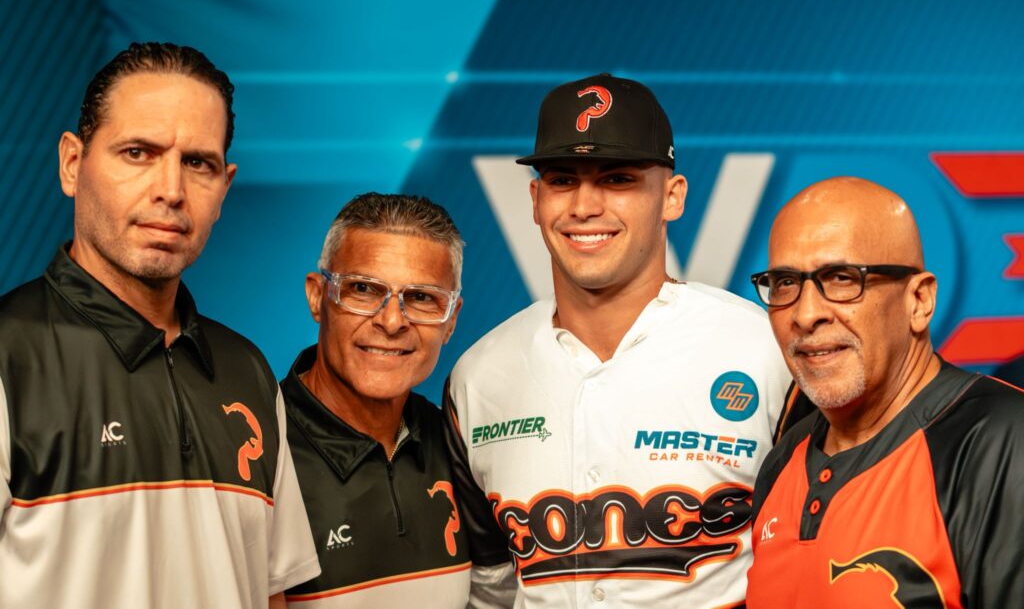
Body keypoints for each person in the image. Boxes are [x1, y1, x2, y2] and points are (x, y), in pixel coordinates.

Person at [444, 74, 791, 607]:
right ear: (535, 199)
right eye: (562, 180)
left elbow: (812, 559)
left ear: (672, 196)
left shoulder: (764, 349)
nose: (584, 206)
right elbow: (489, 590)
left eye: (617, 179)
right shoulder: (479, 376)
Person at [0, 42, 319, 609]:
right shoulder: (8, 357)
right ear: (72, 164)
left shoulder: (248, 371)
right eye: (138, 153)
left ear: (224, 188)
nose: (171, 190)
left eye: (198, 163)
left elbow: (273, 595)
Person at [746, 177, 1024, 607]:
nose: (805, 313)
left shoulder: (1003, 441)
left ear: (919, 301)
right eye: (784, 283)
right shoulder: (782, 461)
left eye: (842, 278)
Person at [282, 193, 471, 607]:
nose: (391, 321)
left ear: (451, 319)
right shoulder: (257, 450)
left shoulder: (464, 450)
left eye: (421, 297)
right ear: (317, 297)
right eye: (364, 289)